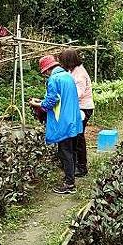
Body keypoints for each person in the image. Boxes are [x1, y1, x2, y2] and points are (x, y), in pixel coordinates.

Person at [29, 55, 83, 194]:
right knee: (71, 151)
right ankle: (70, 179)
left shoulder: (54, 79)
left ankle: (69, 184)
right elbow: (61, 98)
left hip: (63, 121)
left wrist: (37, 104)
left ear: (47, 70)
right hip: (73, 119)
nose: (45, 75)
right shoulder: (67, 76)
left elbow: (51, 101)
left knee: (64, 152)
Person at [58, 49, 94, 178]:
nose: (61, 64)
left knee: (78, 137)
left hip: (83, 108)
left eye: (62, 61)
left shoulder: (80, 74)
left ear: (68, 61)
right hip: (76, 108)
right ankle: (73, 164)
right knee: (74, 136)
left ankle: (82, 167)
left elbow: (77, 94)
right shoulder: (72, 71)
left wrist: (60, 99)